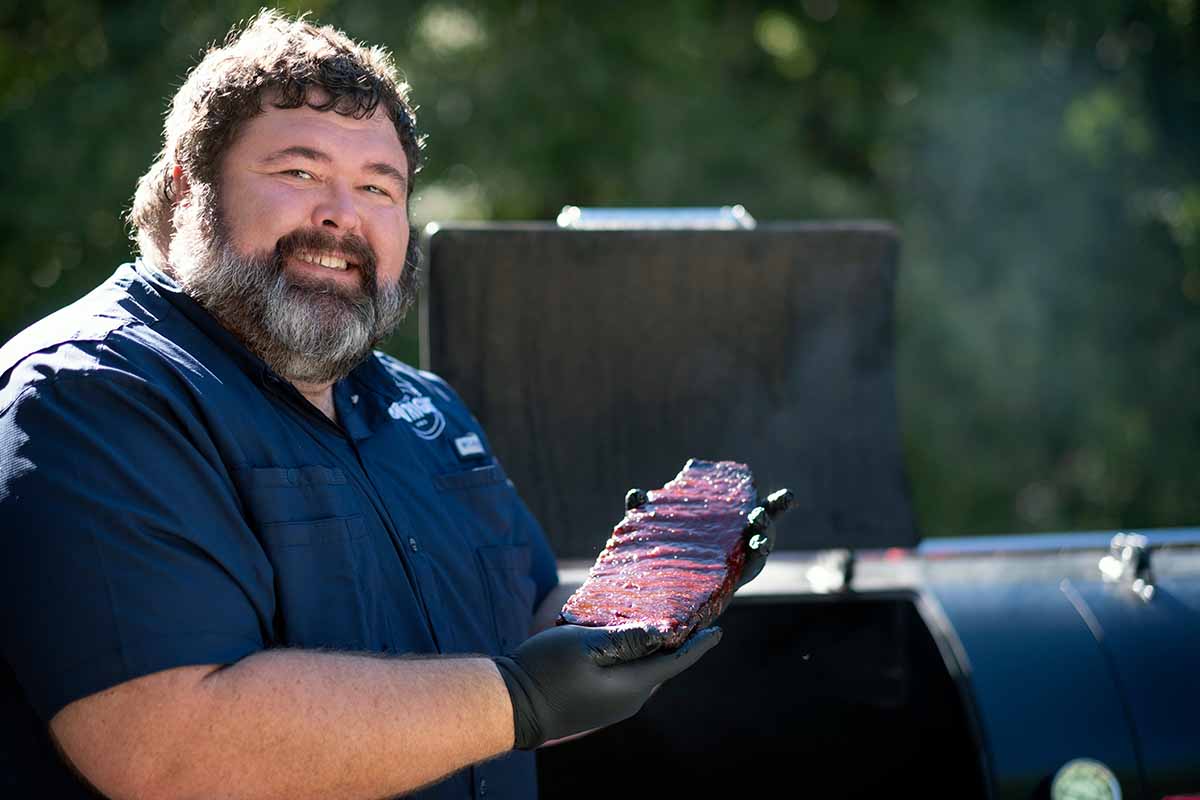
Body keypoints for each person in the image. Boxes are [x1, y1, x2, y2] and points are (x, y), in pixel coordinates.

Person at [0, 11, 771, 799]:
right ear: (187, 186)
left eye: (379, 187)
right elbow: (165, 748)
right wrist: (522, 700)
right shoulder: (90, 395)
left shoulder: (424, 411)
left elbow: (532, 650)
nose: (344, 214)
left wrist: (650, 594)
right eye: (299, 173)